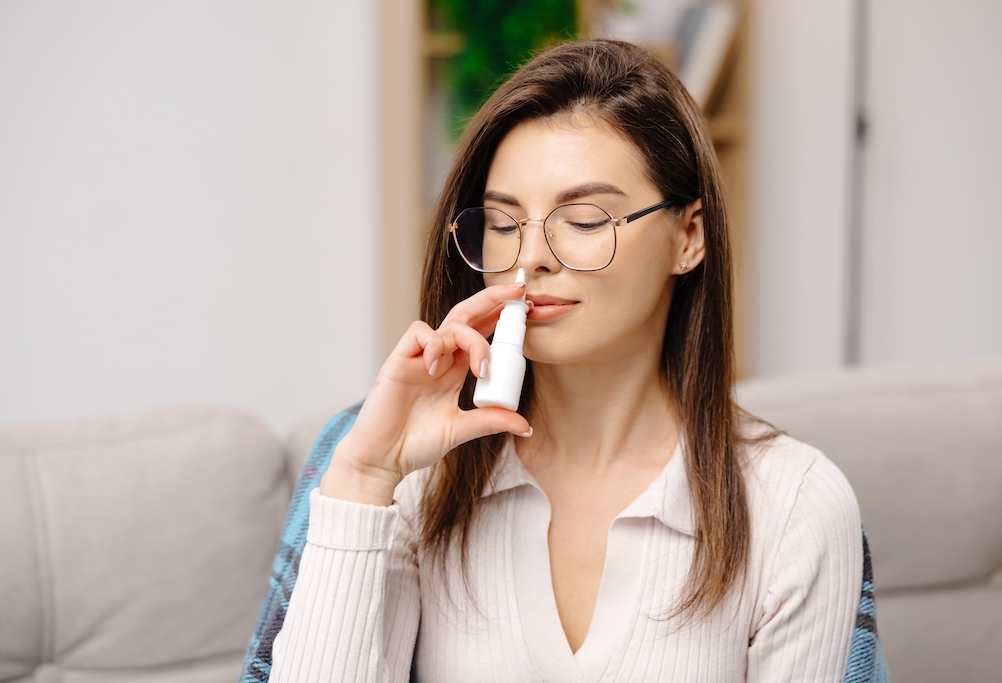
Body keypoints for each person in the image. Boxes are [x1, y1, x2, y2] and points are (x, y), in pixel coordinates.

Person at [267, 39, 871, 682]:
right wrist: (365, 479)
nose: (529, 259)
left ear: (688, 236)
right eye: (503, 224)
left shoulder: (794, 505)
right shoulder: (419, 478)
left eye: (583, 219)